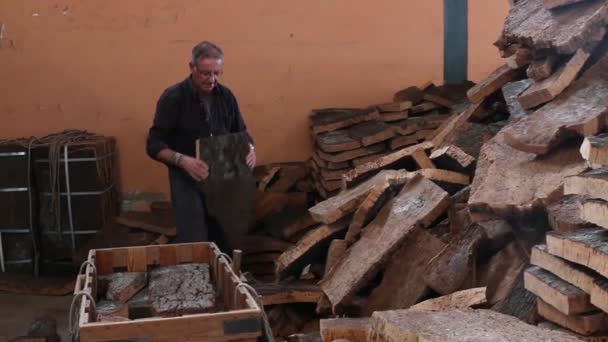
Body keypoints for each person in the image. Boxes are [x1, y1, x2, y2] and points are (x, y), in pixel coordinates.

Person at [146, 41, 256, 243]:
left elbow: (241, 132)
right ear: (192, 67)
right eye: (206, 73)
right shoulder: (173, 98)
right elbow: (154, 144)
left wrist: (250, 148)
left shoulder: (226, 96)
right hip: (186, 179)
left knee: (225, 238)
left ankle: (226, 273)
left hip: (222, 178)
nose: (212, 79)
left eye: (216, 73)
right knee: (195, 239)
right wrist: (183, 160)